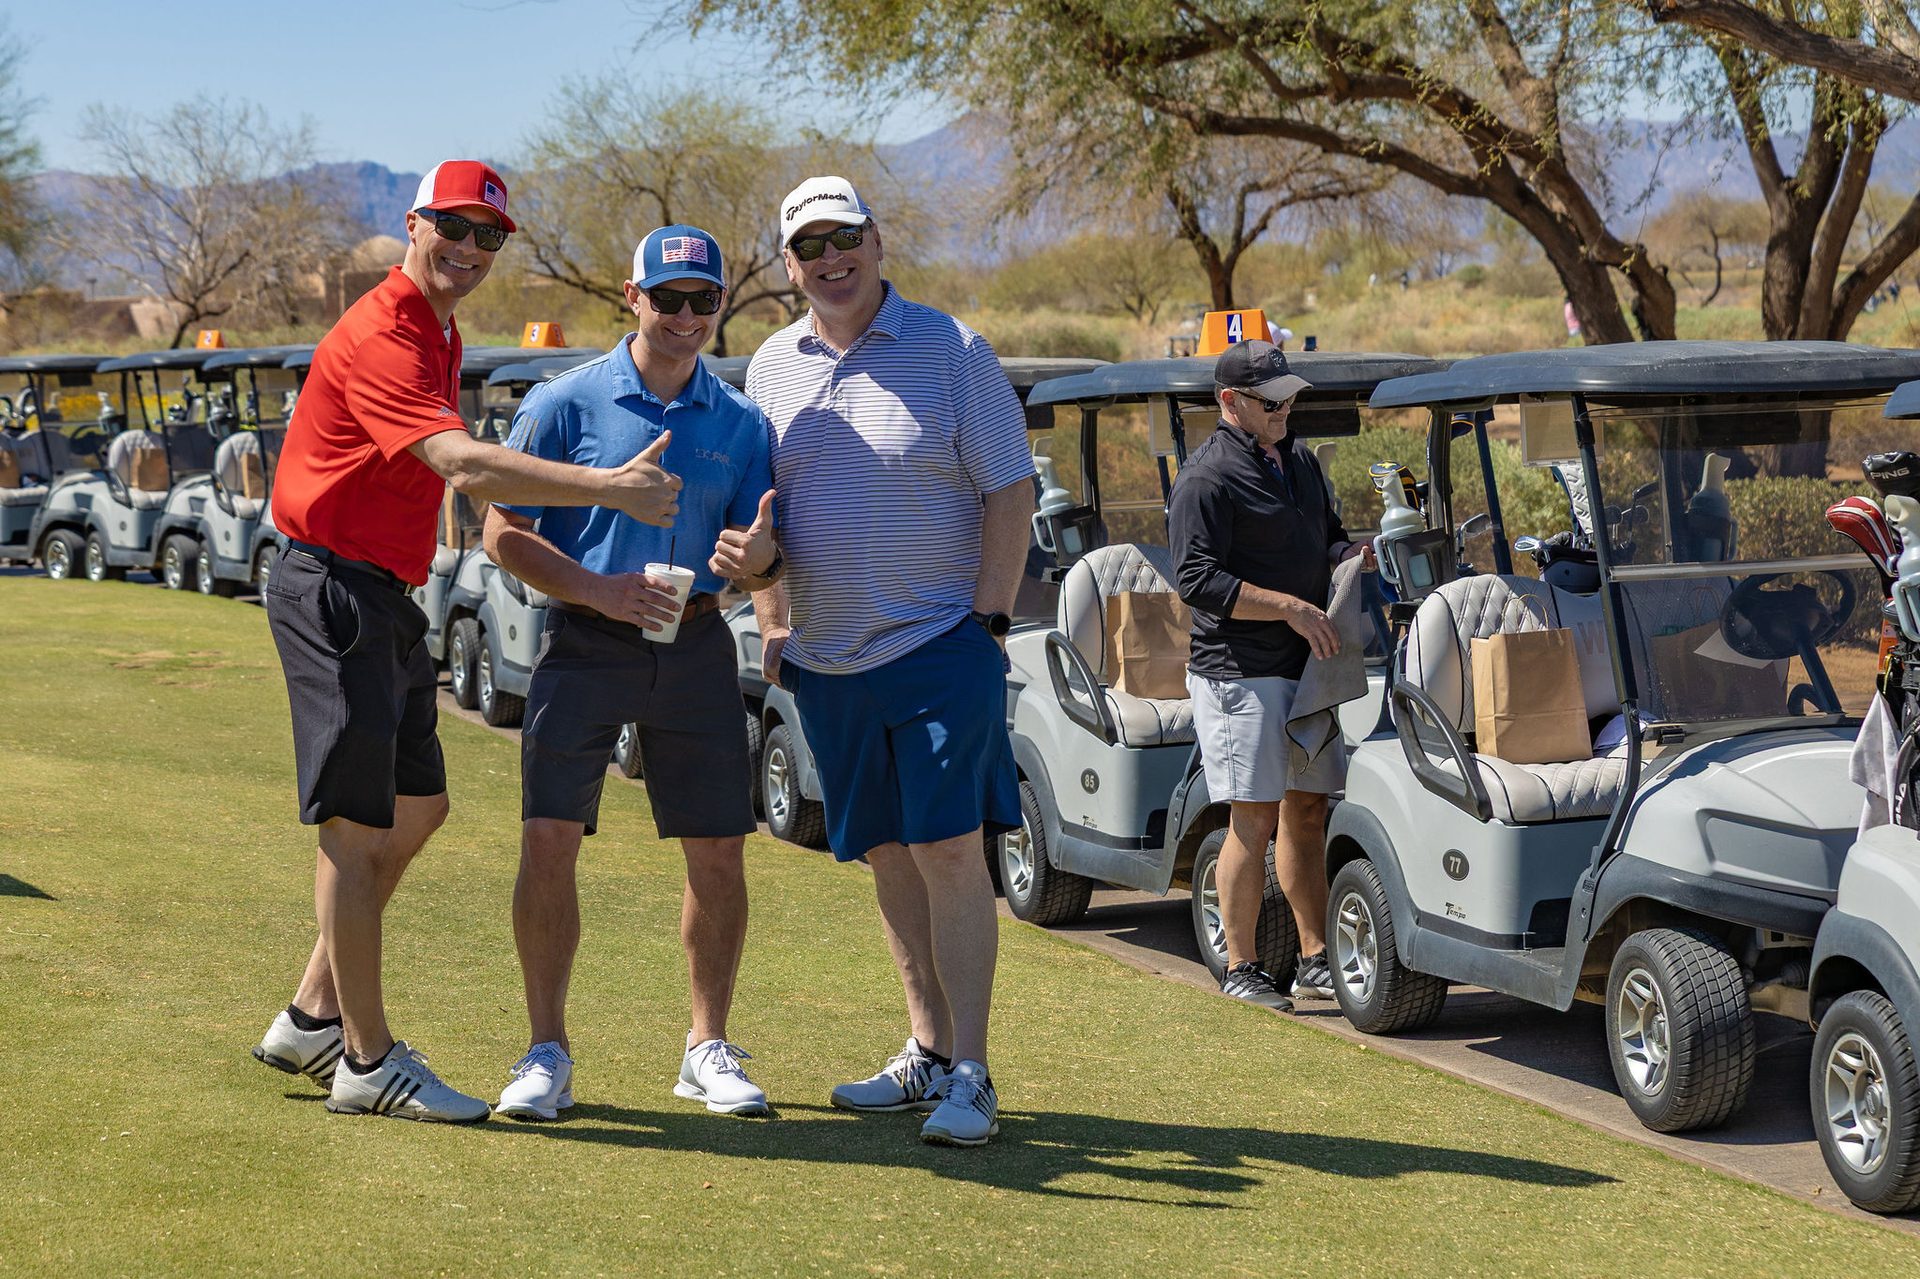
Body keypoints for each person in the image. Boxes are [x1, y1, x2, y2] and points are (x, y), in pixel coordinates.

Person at [249, 160, 683, 1123]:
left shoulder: (438, 331)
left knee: (420, 806)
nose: (472, 249)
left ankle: (314, 1013)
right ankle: (365, 1061)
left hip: (380, 591)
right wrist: (610, 487)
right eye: (456, 225)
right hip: (332, 587)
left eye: (491, 235)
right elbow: (458, 462)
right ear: (416, 222)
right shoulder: (387, 333)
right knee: (356, 837)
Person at [745, 176, 1034, 1147]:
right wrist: (771, 612)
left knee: (950, 848)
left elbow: (1010, 491)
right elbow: (763, 513)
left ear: (877, 240)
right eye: (811, 246)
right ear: (790, 266)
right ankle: (926, 1049)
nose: (833, 259)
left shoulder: (953, 351)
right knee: (885, 854)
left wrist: (988, 624)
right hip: (827, 661)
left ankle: (976, 1070)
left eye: (846, 238)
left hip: (941, 644)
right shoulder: (772, 365)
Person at [482, 225, 781, 1121]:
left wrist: (760, 558)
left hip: (694, 646)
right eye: (669, 298)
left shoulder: (740, 421)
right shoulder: (563, 405)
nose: (686, 316)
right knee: (548, 841)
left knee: (719, 851)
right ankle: (546, 1052)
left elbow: (764, 552)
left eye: (705, 299)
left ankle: (706, 1046)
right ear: (632, 296)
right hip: (583, 640)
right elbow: (501, 530)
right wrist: (596, 592)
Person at [1168, 339, 1370, 1012]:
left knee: (1307, 810)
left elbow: (1327, 532)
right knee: (1252, 818)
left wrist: (1348, 555)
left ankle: (1314, 959)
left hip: (1306, 669)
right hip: (1239, 673)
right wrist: (1288, 607)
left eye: (1290, 395)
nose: (1287, 407)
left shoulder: (1302, 461)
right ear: (1231, 403)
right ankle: (1243, 965)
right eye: (1272, 399)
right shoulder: (1205, 478)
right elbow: (1196, 580)